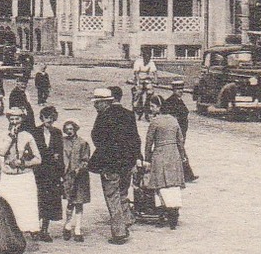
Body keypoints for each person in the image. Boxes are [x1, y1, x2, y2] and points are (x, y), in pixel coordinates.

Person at [89, 86, 140, 244]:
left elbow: (97, 139)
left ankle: (119, 233)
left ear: (106, 102)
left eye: (97, 103)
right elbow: (136, 140)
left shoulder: (103, 117)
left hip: (110, 165)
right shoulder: (129, 115)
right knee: (123, 193)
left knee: (112, 197)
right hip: (126, 164)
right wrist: (134, 159)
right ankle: (126, 221)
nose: (95, 106)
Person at [0, 107, 42, 238]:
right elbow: (1, 152)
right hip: (8, 176)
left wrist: (24, 163)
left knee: (25, 204)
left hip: (24, 176)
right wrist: (10, 137)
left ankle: (28, 230)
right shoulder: (3, 135)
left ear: (22, 120)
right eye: (12, 119)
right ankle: (9, 232)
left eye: (17, 119)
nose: (14, 122)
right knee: (8, 203)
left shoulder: (27, 136)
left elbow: (38, 159)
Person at [141, 104, 186, 229]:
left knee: (160, 185)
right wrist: (182, 156)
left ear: (159, 107)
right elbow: (180, 140)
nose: (151, 109)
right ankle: (174, 213)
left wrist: (147, 158)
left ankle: (162, 214)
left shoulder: (155, 122)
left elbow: (149, 141)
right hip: (174, 154)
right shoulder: (174, 120)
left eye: (153, 106)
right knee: (174, 184)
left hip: (160, 155)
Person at [34, 105, 66, 241]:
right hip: (37, 170)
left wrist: (61, 172)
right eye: (46, 117)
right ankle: (34, 228)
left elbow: (59, 152)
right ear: (42, 118)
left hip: (52, 171)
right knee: (37, 198)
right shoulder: (35, 132)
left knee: (49, 200)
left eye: (52, 117)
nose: (49, 120)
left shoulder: (57, 133)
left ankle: (44, 229)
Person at [156, 81, 197, 182]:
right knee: (180, 151)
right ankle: (187, 175)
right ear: (173, 90)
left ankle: (186, 175)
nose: (180, 91)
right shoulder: (170, 102)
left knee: (180, 151)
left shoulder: (178, 100)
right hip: (175, 131)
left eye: (181, 89)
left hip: (181, 131)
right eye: (178, 89)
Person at [61, 119, 91, 242]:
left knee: (79, 202)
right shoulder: (62, 142)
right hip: (67, 176)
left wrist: (80, 168)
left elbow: (86, 159)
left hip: (80, 177)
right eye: (67, 129)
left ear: (75, 129)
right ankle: (67, 226)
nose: (69, 132)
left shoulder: (83, 143)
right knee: (70, 202)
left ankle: (78, 228)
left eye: (71, 129)